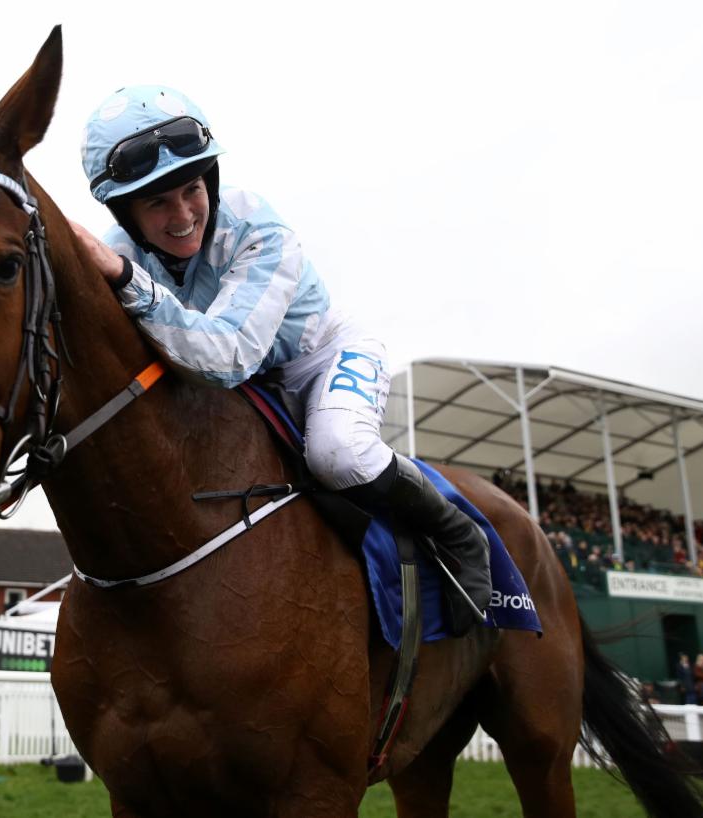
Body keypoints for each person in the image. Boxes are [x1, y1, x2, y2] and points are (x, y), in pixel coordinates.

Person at [70, 85, 492, 628]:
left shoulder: (258, 227)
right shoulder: (117, 250)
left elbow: (226, 356)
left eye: (192, 189)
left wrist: (129, 281)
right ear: (125, 214)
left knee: (338, 453)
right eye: (157, 203)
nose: (182, 215)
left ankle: (457, 532)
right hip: (241, 382)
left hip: (319, 357)